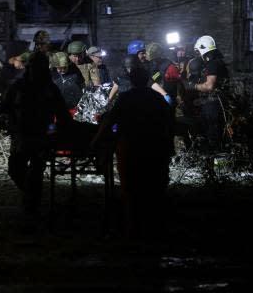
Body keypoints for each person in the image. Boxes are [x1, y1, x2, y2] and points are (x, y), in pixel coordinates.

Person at [93, 67, 174, 236]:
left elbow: (110, 121)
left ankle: (133, 227)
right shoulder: (157, 98)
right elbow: (168, 124)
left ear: (131, 81)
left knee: (131, 189)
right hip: (154, 147)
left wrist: (96, 141)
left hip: (130, 148)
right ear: (146, 80)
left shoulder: (125, 98)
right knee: (154, 187)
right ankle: (155, 227)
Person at [0, 52, 72, 220]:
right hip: (21, 136)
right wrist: (0, 120)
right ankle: (31, 197)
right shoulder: (19, 86)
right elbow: (3, 107)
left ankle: (32, 207)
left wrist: (57, 131)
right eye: (35, 67)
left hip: (41, 137)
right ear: (30, 67)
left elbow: (63, 115)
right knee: (15, 169)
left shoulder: (50, 89)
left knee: (36, 172)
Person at [182, 35, 229, 182]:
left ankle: (216, 175)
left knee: (214, 137)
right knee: (211, 137)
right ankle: (212, 172)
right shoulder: (216, 63)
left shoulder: (213, 64)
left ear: (203, 50)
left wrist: (193, 86)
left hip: (214, 105)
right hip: (213, 104)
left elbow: (209, 86)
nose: (197, 55)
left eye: (198, 52)